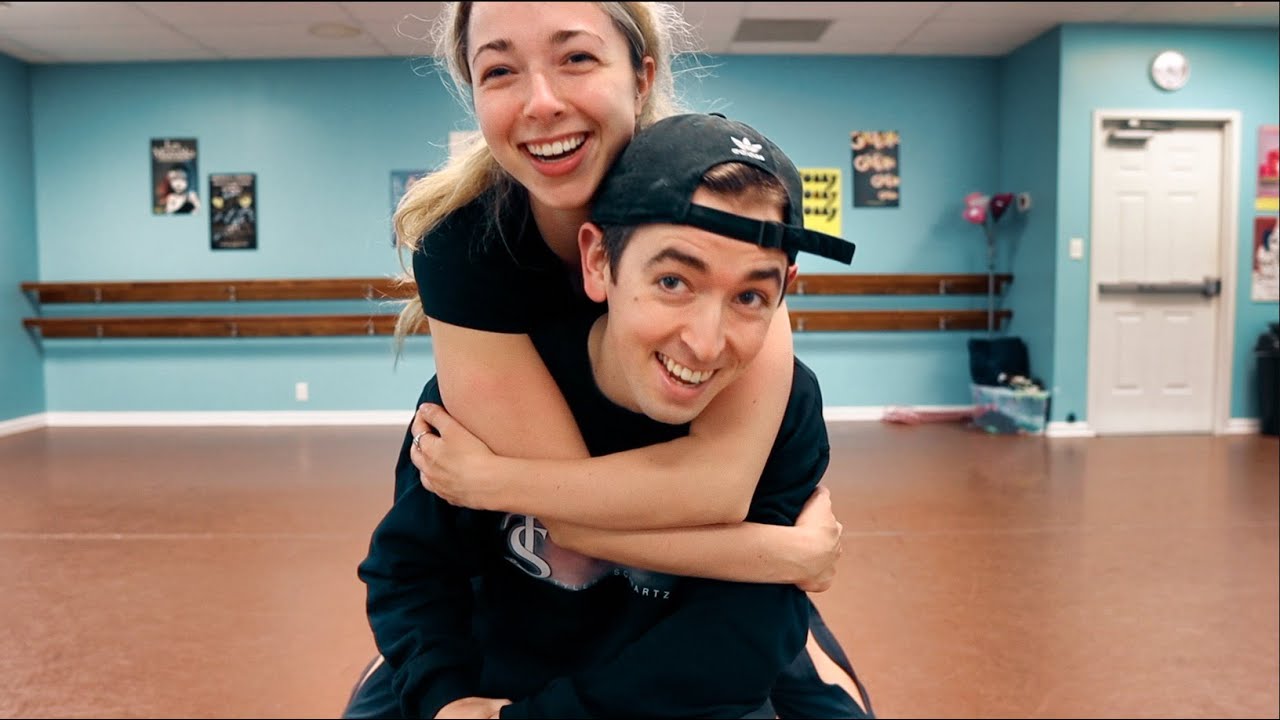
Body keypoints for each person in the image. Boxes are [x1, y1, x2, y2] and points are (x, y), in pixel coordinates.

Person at [351, 2, 870, 717]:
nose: (541, 102)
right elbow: (561, 533)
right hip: (537, 608)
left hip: (696, 619)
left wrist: (492, 481)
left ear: (641, 76)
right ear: (598, 262)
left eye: (577, 57)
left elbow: (713, 495)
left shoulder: (729, 222)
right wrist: (777, 554)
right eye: (499, 70)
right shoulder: (467, 253)